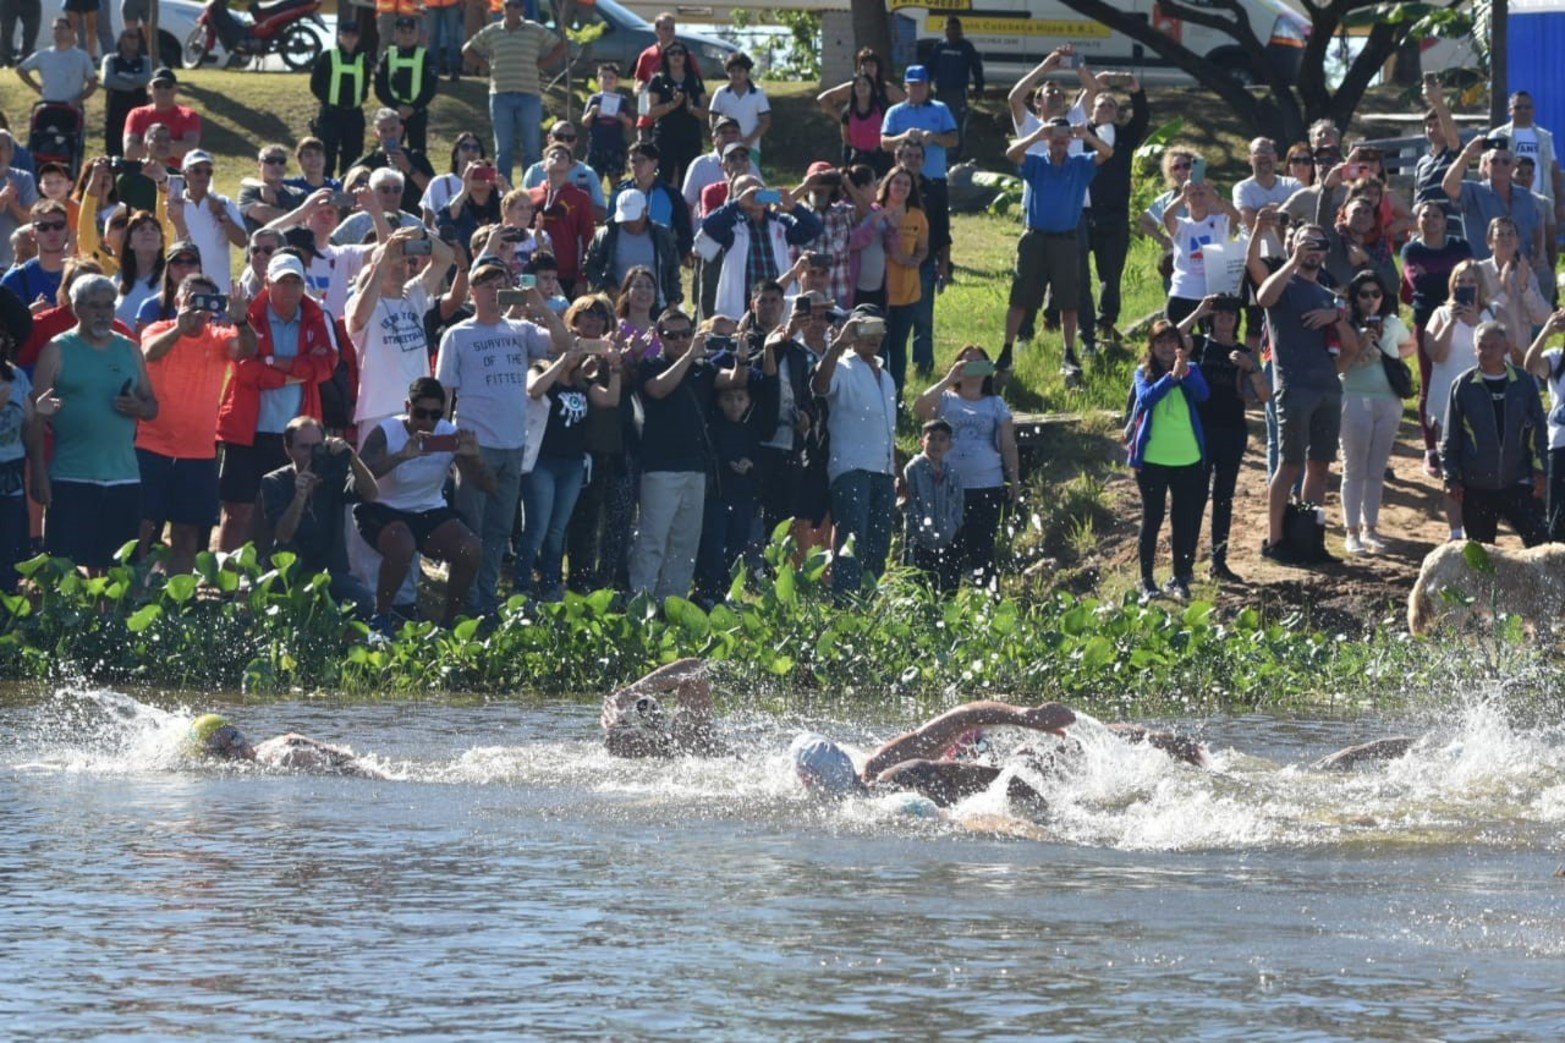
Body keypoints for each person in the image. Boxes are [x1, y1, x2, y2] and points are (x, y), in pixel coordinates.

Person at [435, 255, 568, 614]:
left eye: (500, 285)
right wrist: (447, 443)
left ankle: (486, 598)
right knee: (471, 529)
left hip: (513, 445)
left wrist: (540, 305)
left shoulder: (521, 331)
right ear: (473, 292)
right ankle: (464, 601)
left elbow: (565, 344)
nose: (495, 292)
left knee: (498, 531)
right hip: (476, 445)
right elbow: (445, 393)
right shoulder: (458, 334)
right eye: (487, 285)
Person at [27, 273, 155, 568]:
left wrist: (138, 406)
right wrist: (38, 472)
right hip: (71, 477)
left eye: (109, 306)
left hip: (124, 476)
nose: (103, 313)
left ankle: (108, 617)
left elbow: (152, 406)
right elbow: (35, 418)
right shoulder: (57, 350)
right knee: (65, 572)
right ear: (77, 307)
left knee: (117, 573)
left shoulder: (129, 349)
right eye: (94, 306)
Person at [1251, 223, 1360, 563]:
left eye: (1319, 244)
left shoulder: (1329, 296)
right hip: (1294, 388)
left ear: (1327, 251)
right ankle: (1275, 540)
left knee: (1319, 467)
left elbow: (1352, 348)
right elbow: (1263, 297)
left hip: (1327, 388)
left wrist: (1336, 317)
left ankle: (1310, 538)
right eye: (1305, 243)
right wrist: (1292, 260)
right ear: (1292, 246)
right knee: (1290, 464)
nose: (1312, 249)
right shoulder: (1286, 283)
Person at [213, 252, 338, 549]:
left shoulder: (317, 316)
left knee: (284, 508)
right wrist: (291, 371)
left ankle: (270, 579)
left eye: (296, 282)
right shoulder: (247, 315)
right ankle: (225, 582)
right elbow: (243, 369)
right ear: (267, 282)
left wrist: (270, 362)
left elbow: (327, 365)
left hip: (294, 435)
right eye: (283, 282)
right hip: (248, 430)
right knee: (238, 510)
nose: (290, 289)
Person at [136, 274, 254, 574]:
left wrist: (241, 321)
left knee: (188, 534)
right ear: (177, 300)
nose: (199, 308)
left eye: (206, 301)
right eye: (192, 299)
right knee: (144, 528)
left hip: (198, 452)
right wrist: (180, 326)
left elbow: (247, 350)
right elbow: (150, 353)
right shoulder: (158, 328)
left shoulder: (219, 336)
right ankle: (134, 597)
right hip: (151, 446)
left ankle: (180, 602)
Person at [356, 376, 490, 633]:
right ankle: (381, 617)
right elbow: (358, 480)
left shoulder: (449, 433)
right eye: (421, 413)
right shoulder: (386, 431)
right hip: (382, 508)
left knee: (470, 549)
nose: (428, 422)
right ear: (408, 407)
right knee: (402, 544)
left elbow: (487, 486)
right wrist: (399, 457)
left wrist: (475, 458)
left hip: (429, 510)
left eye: (435, 415)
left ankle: (449, 625)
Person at [629, 309, 743, 600]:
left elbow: (732, 381)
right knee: (653, 540)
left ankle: (672, 603)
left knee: (685, 542)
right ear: (660, 338)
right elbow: (657, 390)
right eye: (672, 335)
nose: (680, 340)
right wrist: (689, 356)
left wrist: (742, 357)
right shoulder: (651, 365)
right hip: (660, 467)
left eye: (686, 334)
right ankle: (640, 603)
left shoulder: (701, 368)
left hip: (695, 466)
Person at [790, 700, 1080, 809]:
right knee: (1038, 755)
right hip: (1030, 787)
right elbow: (960, 717)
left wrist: (1028, 717)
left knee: (1033, 756)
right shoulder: (878, 768)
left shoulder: (893, 781)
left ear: (806, 779)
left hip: (1027, 789)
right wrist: (1026, 717)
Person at [999, 117, 1110, 377]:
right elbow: (1012, 153)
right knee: (1020, 298)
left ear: (1069, 142)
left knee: (1069, 302)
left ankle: (1069, 353)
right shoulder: (1037, 163)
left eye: (1064, 140)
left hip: (1066, 240)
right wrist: (1037, 134)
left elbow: (1107, 153)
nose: (1060, 145)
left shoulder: (1080, 165)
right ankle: (1006, 350)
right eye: (1055, 140)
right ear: (1049, 141)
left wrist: (1088, 136)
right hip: (1035, 239)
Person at [516, 335, 620, 600]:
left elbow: (610, 400)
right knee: (537, 527)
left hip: (572, 464)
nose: (576, 353)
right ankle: (522, 585)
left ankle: (551, 584)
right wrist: (561, 362)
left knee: (557, 529)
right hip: (542, 462)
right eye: (571, 346)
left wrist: (616, 367)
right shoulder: (539, 370)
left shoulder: (579, 382)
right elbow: (534, 390)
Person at [913, 345, 1019, 588]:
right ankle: (945, 602)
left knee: (983, 548)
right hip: (948, 488)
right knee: (949, 550)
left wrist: (1014, 480)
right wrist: (949, 379)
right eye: (967, 363)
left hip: (986, 486)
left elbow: (1008, 445)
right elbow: (919, 409)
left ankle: (989, 602)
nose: (973, 369)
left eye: (979, 363)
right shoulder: (946, 400)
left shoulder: (996, 403)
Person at [812, 305, 896, 597]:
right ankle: (845, 604)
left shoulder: (887, 376)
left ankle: (868, 605)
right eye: (865, 328)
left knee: (879, 545)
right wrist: (838, 344)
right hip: (851, 468)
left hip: (884, 472)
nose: (873, 337)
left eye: (878, 329)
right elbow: (820, 385)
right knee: (852, 540)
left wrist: (894, 469)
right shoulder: (841, 364)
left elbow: (887, 430)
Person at [1441, 320, 1548, 547]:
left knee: (1540, 542)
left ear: (1507, 348)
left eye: (1493, 346)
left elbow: (1538, 431)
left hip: (1518, 481)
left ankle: (1534, 584)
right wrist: (1451, 477)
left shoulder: (1524, 383)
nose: (1486, 352)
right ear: (1475, 348)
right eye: (1482, 346)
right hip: (1477, 485)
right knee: (1481, 554)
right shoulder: (1463, 385)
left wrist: (1541, 471)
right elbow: (1451, 437)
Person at [259, 415, 380, 613]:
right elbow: (283, 535)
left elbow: (372, 494)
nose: (312, 454)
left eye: (317, 446)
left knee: (364, 602)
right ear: (288, 449)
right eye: (304, 447)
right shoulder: (274, 482)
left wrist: (352, 457)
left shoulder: (334, 475)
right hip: (291, 573)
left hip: (331, 571)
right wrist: (300, 497)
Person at [1125, 319, 1209, 601]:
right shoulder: (1143, 373)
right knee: (1153, 518)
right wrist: (1170, 377)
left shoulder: (1191, 370)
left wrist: (1184, 374)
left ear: (1179, 345)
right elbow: (1146, 399)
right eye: (1160, 342)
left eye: (1171, 341)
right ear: (1152, 346)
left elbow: (1204, 394)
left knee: (1183, 520)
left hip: (1187, 458)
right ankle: (1147, 581)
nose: (1165, 347)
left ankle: (1179, 576)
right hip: (1152, 460)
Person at [346, 225, 455, 432]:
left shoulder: (413, 296)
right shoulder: (362, 302)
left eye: (405, 261)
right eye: (393, 262)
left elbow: (446, 257)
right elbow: (358, 320)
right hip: (378, 411)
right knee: (376, 465)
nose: (400, 266)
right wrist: (381, 262)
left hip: (420, 410)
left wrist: (421, 235)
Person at [1336, 270, 1414, 555]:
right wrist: (1362, 344)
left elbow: (1410, 345)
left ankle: (1371, 529)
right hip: (1354, 397)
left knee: (1376, 469)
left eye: (1376, 294)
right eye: (1364, 294)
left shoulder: (1392, 323)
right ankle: (1351, 531)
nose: (1371, 300)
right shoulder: (1345, 324)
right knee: (1354, 466)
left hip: (1389, 400)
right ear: (1355, 298)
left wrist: (1392, 353)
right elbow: (1341, 366)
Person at [1426, 260, 1497, 541]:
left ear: (1480, 286)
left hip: (1483, 403)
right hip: (1447, 402)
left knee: (1480, 472)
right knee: (1451, 472)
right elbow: (1435, 354)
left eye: (1471, 281)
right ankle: (1455, 532)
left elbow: (1501, 357)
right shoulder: (1441, 314)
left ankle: (1476, 528)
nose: (1465, 286)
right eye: (1460, 281)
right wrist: (1452, 322)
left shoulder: (1490, 315)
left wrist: (1478, 324)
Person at [1401, 199, 1473, 476]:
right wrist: (1445, 279)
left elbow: (1468, 277)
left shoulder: (1460, 246)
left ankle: (1462, 442)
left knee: (1463, 376)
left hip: (1462, 317)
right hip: (1428, 320)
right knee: (1430, 382)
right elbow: (1415, 281)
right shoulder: (1412, 249)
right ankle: (1432, 449)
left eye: (1435, 216)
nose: (1430, 220)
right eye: (1424, 216)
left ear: (1445, 220)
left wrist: (1432, 277)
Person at [462, 0, 566, 184]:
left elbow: (560, 46)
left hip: (529, 95)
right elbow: (467, 49)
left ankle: (531, 188)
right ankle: (504, 190)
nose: (512, 9)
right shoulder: (493, 31)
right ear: (502, 9)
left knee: (532, 148)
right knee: (503, 149)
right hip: (500, 94)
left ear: (523, 9)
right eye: (508, 5)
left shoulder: (534, 29)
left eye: (516, 5)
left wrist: (543, 64)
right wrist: (484, 65)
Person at [699, 177, 822, 326]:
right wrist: (736, 205)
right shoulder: (732, 225)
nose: (754, 196)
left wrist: (794, 207)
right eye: (747, 192)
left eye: (759, 192)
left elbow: (814, 228)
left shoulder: (780, 223)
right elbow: (708, 227)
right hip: (742, 304)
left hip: (777, 304)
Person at [1083, 76, 1147, 345]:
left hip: (1115, 214)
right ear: (1092, 110)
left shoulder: (1124, 137)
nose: (1107, 107)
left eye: (1112, 104)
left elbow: (1142, 118)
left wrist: (1136, 93)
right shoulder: (1079, 134)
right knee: (1073, 270)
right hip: (1082, 214)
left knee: (1111, 274)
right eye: (1102, 104)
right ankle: (1062, 319)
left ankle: (1106, 322)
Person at [693, 380, 765, 604]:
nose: (735, 404)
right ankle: (708, 591)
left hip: (743, 498)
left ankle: (728, 591)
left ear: (748, 403)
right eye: (728, 399)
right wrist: (726, 464)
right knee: (713, 546)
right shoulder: (712, 429)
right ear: (719, 402)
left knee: (737, 546)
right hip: (717, 496)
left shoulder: (750, 431)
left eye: (740, 399)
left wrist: (749, 465)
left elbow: (759, 462)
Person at [1442, 136, 1544, 266]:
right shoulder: (1473, 192)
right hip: (1484, 274)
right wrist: (1467, 152)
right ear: (1485, 166)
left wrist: (1538, 256)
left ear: (1513, 168)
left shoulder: (1525, 196)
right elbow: (1448, 185)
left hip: (1520, 274)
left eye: (1505, 162)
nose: (1499, 165)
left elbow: (1537, 228)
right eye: (1494, 161)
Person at [184, 712, 380, 777]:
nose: (237, 748)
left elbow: (292, 738)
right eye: (222, 748)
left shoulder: (281, 751)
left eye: (235, 736)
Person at [876, 164, 928, 397]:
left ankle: (897, 396)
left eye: (907, 184)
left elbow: (924, 248)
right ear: (888, 185)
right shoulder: (876, 211)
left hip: (908, 292)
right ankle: (878, 394)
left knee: (898, 347)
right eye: (897, 182)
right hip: (879, 291)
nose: (902, 187)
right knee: (879, 348)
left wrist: (917, 258)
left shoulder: (917, 216)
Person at [600, 657, 719, 758]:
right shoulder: (614, 757)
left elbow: (694, 668)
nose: (630, 742)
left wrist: (626, 695)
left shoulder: (689, 739)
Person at [583, 187, 681, 307]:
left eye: (634, 218)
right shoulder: (606, 235)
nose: (630, 222)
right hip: (619, 306)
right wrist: (607, 288)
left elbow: (672, 270)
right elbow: (590, 266)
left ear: (646, 210)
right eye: (626, 218)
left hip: (657, 306)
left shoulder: (662, 235)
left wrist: (673, 300)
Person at [167, 150, 245, 294]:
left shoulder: (224, 203)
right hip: (182, 292)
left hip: (219, 290)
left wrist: (222, 215)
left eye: (208, 172)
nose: (203, 176)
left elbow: (242, 241)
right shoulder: (174, 204)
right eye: (197, 171)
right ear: (184, 173)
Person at [900, 417, 963, 591]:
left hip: (946, 538)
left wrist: (953, 526)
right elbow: (907, 502)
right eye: (931, 438)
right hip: (919, 541)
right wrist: (919, 528)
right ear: (922, 442)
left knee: (947, 587)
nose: (936, 443)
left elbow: (958, 504)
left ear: (949, 445)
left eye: (942, 439)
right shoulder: (913, 469)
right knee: (918, 586)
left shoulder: (952, 474)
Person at [1520, 309, 1565, 541]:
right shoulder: (1558, 358)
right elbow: (1530, 365)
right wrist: (1547, 331)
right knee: (1558, 517)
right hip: (1560, 446)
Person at [530, 144, 598, 296]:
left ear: (571, 166)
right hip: (532, 272)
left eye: (563, 156)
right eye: (553, 156)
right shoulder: (531, 196)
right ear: (543, 166)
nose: (557, 158)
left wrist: (582, 279)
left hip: (567, 275)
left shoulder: (581, 198)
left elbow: (588, 239)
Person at [1490, 89, 1564, 227]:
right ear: (1510, 110)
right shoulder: (1498, 135)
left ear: (1533, 110)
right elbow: (1488, 168)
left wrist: (1559, 203)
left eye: (1527, 107)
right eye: (1518, 107)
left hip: (1542, 201)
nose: (1523, 110)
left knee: (1546, 245)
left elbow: (1553, 169)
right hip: (1509, 202)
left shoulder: (1545, 137)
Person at [612, 140, 694, 262]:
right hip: (625, 259)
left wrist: (673, 259)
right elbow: (610, 229)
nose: (636, 165)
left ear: (654, 163)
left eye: (642, 160)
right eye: (633, 161)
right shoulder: (620, 193)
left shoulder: (671, 194)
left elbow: (685, 232)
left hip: (660, 261)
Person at [309, 22, 371, 181]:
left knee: (352, 157)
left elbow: (365, 83)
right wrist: (328, 100)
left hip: (354, 113)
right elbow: (315, 84)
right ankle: (325, 191)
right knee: (326, 156)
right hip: (331, 113)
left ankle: (347, 193)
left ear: (358, 38)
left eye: (353, 36)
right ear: (339, 36)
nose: (349, 39)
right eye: (346, 35)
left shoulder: (363, 58)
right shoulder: (328, 56)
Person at [347, 108, 434, 219]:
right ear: (376, 134)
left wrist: (408, 167)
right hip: (376, 224)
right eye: (384, 131)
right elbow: (348, 193)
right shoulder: (366, 164)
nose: (389, 135)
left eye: (393, 129)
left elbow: (433, 191)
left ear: (401, 130)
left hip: (413, 220)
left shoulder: (416, 157)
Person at [644, 41, 706, 188]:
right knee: (663, 176)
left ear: (686, 57)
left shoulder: (694, 80)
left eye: (680, 53)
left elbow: (704, 112)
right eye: (672, 53)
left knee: (689, 177)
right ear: (666, 57)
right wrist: (672, 105)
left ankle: (686, 209)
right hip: (665, 135)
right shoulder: (658, 80)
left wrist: (691, 108)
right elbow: (651, 111)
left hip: (690, 136)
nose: (676, 56)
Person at [633, 11, 704, 135]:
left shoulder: (687, 56)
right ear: (657, 31)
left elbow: (697, 84)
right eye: (665, 29)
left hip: (680, 121)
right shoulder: (647, 55)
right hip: (649, 119)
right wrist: (640, 88)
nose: (669, 32)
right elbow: (638, 82)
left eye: (672, 29)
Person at [373, 15, 437, 154]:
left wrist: (414, 107)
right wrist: (397, 106)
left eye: (410, 32)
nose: (407, 36)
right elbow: (380, 87)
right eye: (403, 31)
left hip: (417, 113)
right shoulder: (387, 56)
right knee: (390, 154)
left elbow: (430, 87)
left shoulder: (426, 57)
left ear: (417, 34)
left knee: (418, 154)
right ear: (395, 34)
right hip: (393, 115)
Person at [520, 121, 608, 221]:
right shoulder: (534, 172)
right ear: (549, 139)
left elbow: (602, 215)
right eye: (559, 137)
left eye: (570, 138)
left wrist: (575, 200)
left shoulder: (588, 173)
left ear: (575, 141)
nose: (564, 142)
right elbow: (520, 209)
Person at [928, 16, 984, 160]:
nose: (952, 32)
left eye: (955, 29)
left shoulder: (967, 47)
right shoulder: (940, 47)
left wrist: (979, 88)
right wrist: (926, 86)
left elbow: (977, 69)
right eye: (949, 29)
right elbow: (929, 68)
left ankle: (955, 155)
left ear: (960, 31)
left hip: (959, 93)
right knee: (939, 123)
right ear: (945, 31)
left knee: (957, 124)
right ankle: (940, 154)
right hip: (941, 92)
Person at [121, 65, 198, 165]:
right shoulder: (136, 114)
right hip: (144, 175)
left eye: (167, 86)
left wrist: (153, 146)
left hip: (177, 175)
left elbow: (190, 151)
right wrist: (168, 147)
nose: (163, 90)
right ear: (149, 89)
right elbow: (130, 151)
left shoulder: (189, 116)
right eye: (157, 86)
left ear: (176, 89)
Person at [2, 197, 66, 307]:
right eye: (43, 227)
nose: (52, 232)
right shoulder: (14, 280)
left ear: (67, 229)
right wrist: (28, 316)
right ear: (32, 234)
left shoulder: (83, 273)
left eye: (58, 225)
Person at [707, 52, 769, 166]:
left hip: (751, 148)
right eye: (732, 71)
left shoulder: (758, 93)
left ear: (747, 72)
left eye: (740, 70)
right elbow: (713, 118)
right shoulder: (721, 92)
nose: (736, 74)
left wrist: (748, 141)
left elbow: (765, 121)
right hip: (725, 148)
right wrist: (719, 138)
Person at [16, 18, 95, 106]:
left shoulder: (82, 56)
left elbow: (93, 82)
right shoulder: (42, 55)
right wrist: (37, 88)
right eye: (55, 28)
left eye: (62, 28)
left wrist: (79, 99)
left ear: (70, 31)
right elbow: (21, 70)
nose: (58, 31)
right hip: (49, 106)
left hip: (73, 108)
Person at [99, 26, 148, 157]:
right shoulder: (110, 59)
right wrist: (133, 85)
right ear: (121, 40)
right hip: (115, 115)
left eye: (137, 37)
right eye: (130, 36)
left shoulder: (145, 61)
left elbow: (145, 80)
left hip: (138, 116)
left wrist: (123, 76)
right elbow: (108, 80)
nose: (134, 40)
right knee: (114, 156)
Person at [583, 61, 633, 186]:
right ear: (598, 80)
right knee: (594, 181)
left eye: (611, 77)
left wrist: (623, 118)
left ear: (617, 81)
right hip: (596, 146)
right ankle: (595, 205)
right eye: (604, 77)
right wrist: (592, 113)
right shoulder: (594, 99)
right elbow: (585, 122)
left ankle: (615, 204)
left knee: (616, 182)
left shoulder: (623, 100)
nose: (607, 80)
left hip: (616, 146)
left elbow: (630, 124)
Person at [238, 143, 305, 234]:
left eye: (281, 161)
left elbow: (313, 219)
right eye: (270, 161)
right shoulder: (249, 192)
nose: (277, 165)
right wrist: (300, 218)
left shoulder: (298, 193)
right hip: (264, 247)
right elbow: (266, 216)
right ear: (259, 164)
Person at [0, 130, 36, 271]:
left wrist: (12, 203)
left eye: (1, 148)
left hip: (14, 265)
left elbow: (30, 222)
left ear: (11, 153)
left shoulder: (24, 179)